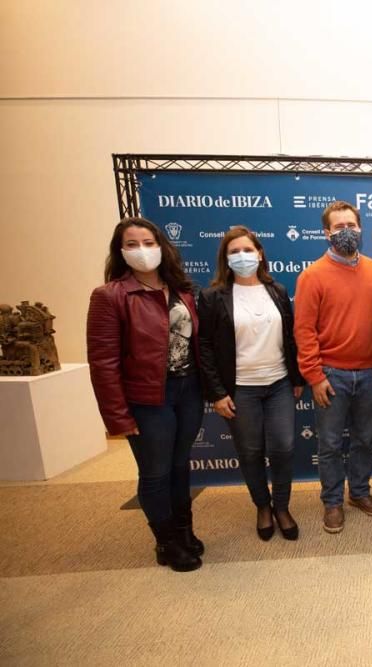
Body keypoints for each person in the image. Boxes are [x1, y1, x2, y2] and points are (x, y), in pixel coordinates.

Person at [87, 217, 204, 572]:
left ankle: (184, 530)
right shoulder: (110, 296)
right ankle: (166, 542)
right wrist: (117, 417)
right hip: (147, 398)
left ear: (162, 247)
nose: (142, 250)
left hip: (188, 390)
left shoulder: (181, 290)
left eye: (149, 242)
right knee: (155, 472)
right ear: (120, 252)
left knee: (180, 465)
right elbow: (103, 362)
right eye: (132, 244)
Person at [198, 226, 304, 541]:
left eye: (248, 250)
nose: (242, 256)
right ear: (225, 259)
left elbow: (290, 337)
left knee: (284, 448)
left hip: (279, 384)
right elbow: (203, 347)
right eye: (234, 252)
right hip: (240, 388)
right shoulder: (212, 296)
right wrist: (216, 393)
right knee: (250, 451)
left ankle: (282, 506)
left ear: (259, 254)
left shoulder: (277, 291)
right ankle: (263, 506)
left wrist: (297, 377)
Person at [294, 201, 372, 534]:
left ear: (360, 228)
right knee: (330, 444)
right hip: (331, 374)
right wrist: (314, 377)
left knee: (364, 440)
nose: (346, 231)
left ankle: (358, 493)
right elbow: (303, 331)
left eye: (351, 225)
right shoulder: (312, 275)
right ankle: (332, 502)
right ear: (326, 232)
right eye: (338, 226)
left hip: (371, 372)